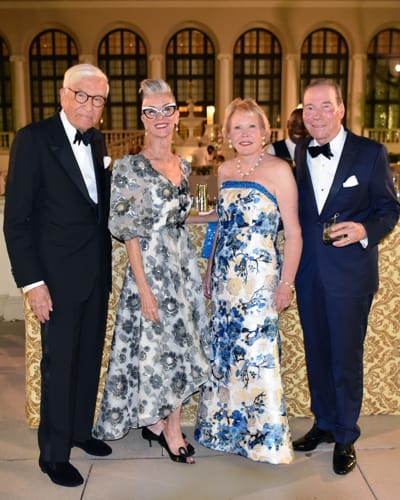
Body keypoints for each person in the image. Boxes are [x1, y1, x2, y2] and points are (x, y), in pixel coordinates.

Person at [3, 63, 112, 487]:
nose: (89, 105)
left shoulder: (98, 140)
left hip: (95, 273)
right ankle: (53, 454)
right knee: (59, 365)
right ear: (63, 95)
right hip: (55, 279)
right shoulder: (33, 139)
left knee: (87, 359)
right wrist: (33, 283)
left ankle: (80, 431)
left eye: (97, 99)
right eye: (81, 95)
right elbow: (16, 220)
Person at [93, 79, 210, 465]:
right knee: (164, 351)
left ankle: (159, 423)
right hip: (152, 271)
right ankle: (171, 430)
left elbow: (181, 215)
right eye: (150, 111)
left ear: (177, 115)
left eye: (167, 109)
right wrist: (144, 289)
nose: (160, 117)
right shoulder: (129, 168)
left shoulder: (183, 166)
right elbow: (128, 233)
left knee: (177, 348)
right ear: (141, 118)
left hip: (182, 269)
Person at [293, 78, 399, 475]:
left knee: (345, 357)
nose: (316, 114)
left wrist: (363, 230)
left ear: (340, 109)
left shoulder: (370, 153)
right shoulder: (301, 151)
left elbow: (389, 209)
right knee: (317, 352)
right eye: (309, 107)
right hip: (309, 273)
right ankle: (323, 423)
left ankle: (345, 434)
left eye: (325, 106)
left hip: (351, 275)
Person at [195, 97, 302, 463]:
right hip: (225, 278)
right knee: (226, 352)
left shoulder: (279, 170)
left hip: (260, 280)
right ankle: (225, 432)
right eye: (236, 127)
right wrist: (210, 269)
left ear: (264, 131)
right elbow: (221, 226)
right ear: (227, 134)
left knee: (256, 354)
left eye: (251, 126)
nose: (244, 134)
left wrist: (286, 283)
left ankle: (264, 440)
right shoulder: (224, 169)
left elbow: (295, 233)